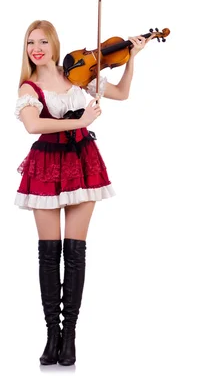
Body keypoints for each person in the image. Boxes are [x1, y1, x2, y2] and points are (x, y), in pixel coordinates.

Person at [14, 19, 147, 366]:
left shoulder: (77, 73)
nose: (37, 48)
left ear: (55, 44)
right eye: (31, 43)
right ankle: (51, 335)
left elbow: (121, 93)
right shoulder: (28, 88)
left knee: (75, 253)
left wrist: (132, 56)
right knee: (48, 253)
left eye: (43, 41)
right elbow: (33, 125)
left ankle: (69, 335)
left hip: (82, 161)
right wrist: (81, 121)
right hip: (45, 164)